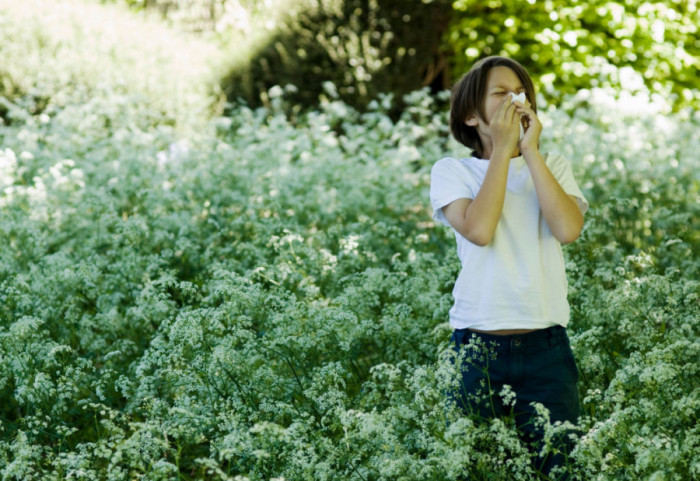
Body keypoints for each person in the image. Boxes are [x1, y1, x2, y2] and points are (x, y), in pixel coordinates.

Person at [430, 56, 588, 479]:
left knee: (560, 469)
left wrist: (529, 151)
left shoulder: (551, 166)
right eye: (500, 94)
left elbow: (568, 228)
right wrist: (502, 151)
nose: (514, 100)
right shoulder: (453, 171)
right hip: (476, 351)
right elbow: (479, 229)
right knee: (477, 468)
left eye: (520, 93)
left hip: (547, 351)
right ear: (469, 115)